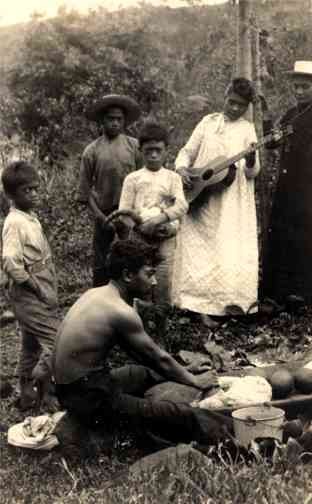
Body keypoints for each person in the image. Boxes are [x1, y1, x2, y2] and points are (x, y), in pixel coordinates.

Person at [53, 239, 231, 445]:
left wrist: (185, 367)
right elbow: (157, 358)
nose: (154, 281)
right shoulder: (120, 311)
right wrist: (194, 380)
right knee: (180, 415)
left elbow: (143, 355)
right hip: (89, 398)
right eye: (149, 274)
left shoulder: (96, 294)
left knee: (140, 373)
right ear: (128, 275)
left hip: (74, 389)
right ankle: (241, 436)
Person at [172, 77, 260, 328]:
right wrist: (182, 170)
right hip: (201, 196)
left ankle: (229, 307)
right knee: (198, 250)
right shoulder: (208, 122)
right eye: (231, 102)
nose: (234, 109)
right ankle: (195, 306)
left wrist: (252, 158)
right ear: (225, 97)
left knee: (228, 249)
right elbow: (186, 152)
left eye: (241, 105)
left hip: (232, 202)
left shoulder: (247, 130)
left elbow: (252, 173)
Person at [1, 161, 59, 410]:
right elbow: (11, 262)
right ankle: (43, 389)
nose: (34, 194)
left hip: (42, 282)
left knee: (31, 345)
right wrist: (35, 286)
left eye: (36, 189)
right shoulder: (14, 223)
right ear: (11, 195)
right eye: (27, 190)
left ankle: (27, 395)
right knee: (57, 342)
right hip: (28, 293)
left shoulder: (29, 218)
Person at [119, 122, 188, 305]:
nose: (154, 155)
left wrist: (161, 220)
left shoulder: (173, 178)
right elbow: (124, 213)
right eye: (149, 150)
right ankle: (140, 320)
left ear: (166, 151)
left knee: (164, 279)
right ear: (140, 150)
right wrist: (141, 227)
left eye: (158, 150)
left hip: (166, 237)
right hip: (141, 237)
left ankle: (162, 318)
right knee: (140, 280)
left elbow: (181, 206)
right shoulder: (133, 179)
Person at [77, 94, 142, 287]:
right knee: (100, 257)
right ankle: (99, 295)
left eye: (119, 119)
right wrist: (100, 217)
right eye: (110, 119)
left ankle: (129, 295)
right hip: (104, 212)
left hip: (129, 211)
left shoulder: (134, 146)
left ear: (124, 122)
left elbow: (143, 180)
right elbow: (85, 190)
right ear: (102, 121)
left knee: (131, 253)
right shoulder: (92, 151)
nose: (115, 123)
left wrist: (135, 214)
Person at [261, 61, 312, 304]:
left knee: (305, 233)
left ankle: (303, 291)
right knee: (284, 231)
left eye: (305, 87)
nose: (300, 92)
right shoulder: (292, 114)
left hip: (309, 185)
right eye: (297, 87)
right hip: (289, 182)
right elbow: (272, 141)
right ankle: (280, 291)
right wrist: (267, 118)